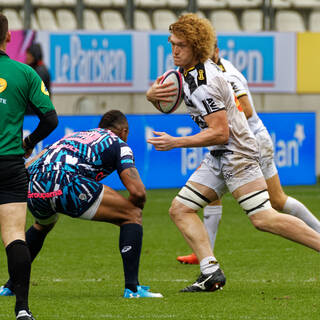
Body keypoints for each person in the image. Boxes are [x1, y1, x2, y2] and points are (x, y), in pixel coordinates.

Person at [146, 13, 320, 293]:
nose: (174, 50)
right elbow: (167, 100)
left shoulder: (205, 82)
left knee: (264, 217)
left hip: (236, 153)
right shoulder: (189, 72)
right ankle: (210, 272)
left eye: (181, 45)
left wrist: (176, 142)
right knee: (181, 209)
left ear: (197, 47)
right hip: (220, 154)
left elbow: (220, 132)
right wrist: (151, 96)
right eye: (172, 44)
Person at [177, 43, 320, 265]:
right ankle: (206, 259)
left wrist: (222, 110)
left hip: (246, 143)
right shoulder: (200, 72)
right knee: (199, 201)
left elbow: (247, 109)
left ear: (215, 51)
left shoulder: (225, 74)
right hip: (230, 147)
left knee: (274, 205)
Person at [1, 110, 163, 299]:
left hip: (34, 185)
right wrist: (135, 209)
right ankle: (133, 289)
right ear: (124, 131)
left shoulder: (74, 136)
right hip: (67, 182)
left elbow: (33, 163)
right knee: (132, 214)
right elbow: (138, 191)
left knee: (42, 225)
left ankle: (10, 286)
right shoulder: (118, 143)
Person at [0, 13, 58, 320]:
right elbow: (50, 119)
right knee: (14, 236)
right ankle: (22, 308)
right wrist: (29, 142)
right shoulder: (25, 73)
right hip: (10, 164)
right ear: (8, 37)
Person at [25, 43, 51, 115]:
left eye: (29, 54)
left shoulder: (40, 71)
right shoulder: (35, 69)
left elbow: (35, 93)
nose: (27, 57)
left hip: (36, 113)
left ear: (35, 55)